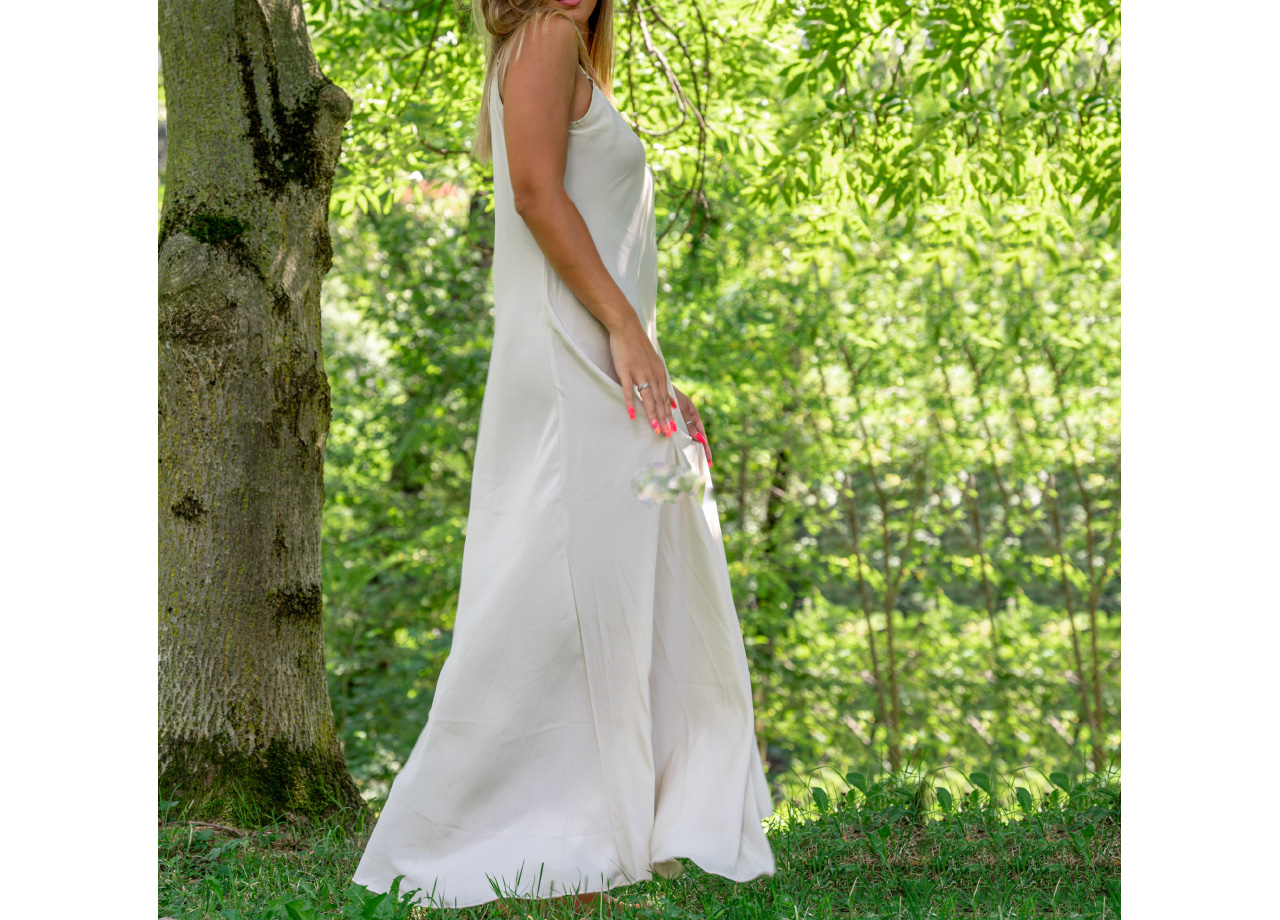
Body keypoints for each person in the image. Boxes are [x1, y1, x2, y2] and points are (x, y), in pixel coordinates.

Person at [352, 0, 775, 910]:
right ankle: (478, 830)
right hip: (573, 360)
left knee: (615, 575)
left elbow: (599, 228)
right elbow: (538, 196)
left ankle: (583, 835)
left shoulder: (559, 53)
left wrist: (650, 358)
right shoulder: (542, 38)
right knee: (555, 590)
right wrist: (625, 331)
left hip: (596, 356)